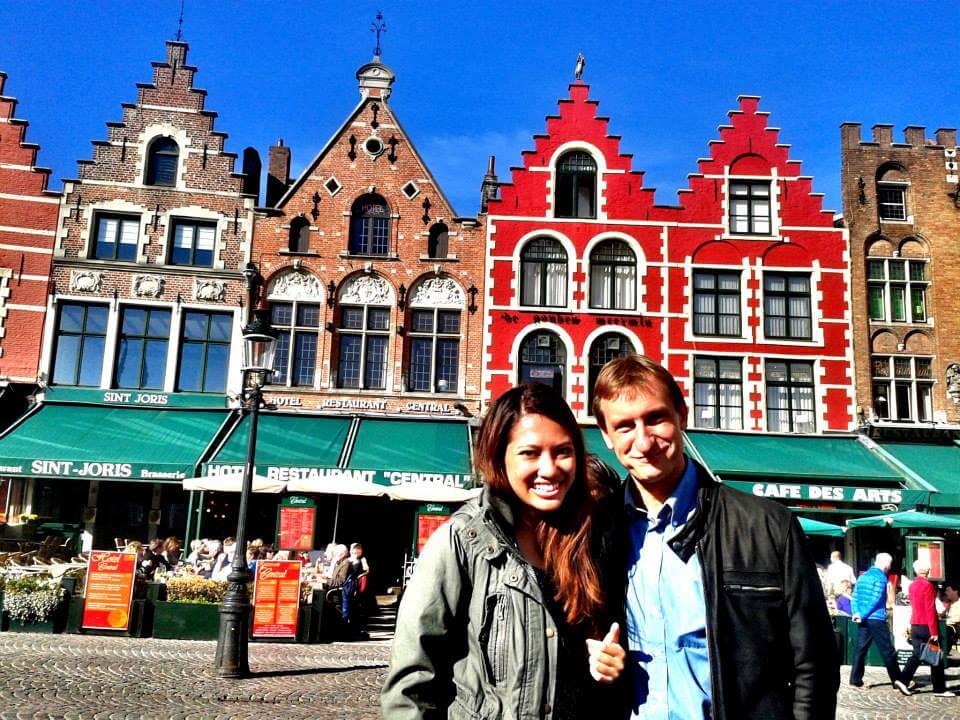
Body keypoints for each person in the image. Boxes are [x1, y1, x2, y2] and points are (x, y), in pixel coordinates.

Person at [590, 354, 838, 719]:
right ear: (606, 435)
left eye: (655, 418)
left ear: (682, 415)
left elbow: (814, 664)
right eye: (625, 426)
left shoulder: (768, 526)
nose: (643, 442)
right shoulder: (596, 531)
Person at [382, 383, 624, 718]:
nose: (550, 468)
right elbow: (412, 683)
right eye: (530, 453)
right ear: (499, 456)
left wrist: (612, 667)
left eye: (563, 451)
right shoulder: (463, 540)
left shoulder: (593, 535)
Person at [849, 552, 910, 694]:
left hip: (863, 619)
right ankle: (898, 680)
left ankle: (855, 680)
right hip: (876, 618)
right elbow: (875, 599)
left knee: (860, 649)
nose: (889, 568)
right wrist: (863, 614)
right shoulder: (881, 578)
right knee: (888, 650)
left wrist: (856, 613)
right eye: (890, 565)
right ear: (886, 565)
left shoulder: (862, 577)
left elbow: (855, 596)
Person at [901, 559, 954, 697]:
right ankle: (939, 689)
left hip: (915, 624)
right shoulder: (928, 585)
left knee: (918, 654)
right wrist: (934, 631)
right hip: (926, 625)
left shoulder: (912, 586)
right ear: (928, 570)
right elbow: (930, 609)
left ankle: (902, 680)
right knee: (936, 656)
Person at [943, 582, 960, 653]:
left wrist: (944, 621)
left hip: (955, 629)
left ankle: (944, 652)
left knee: (946, 630)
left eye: (948, 590)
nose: (945, 592)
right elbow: (943, 615)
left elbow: (957, 619)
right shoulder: (950, 604)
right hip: (949, 627)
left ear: (955, 591)